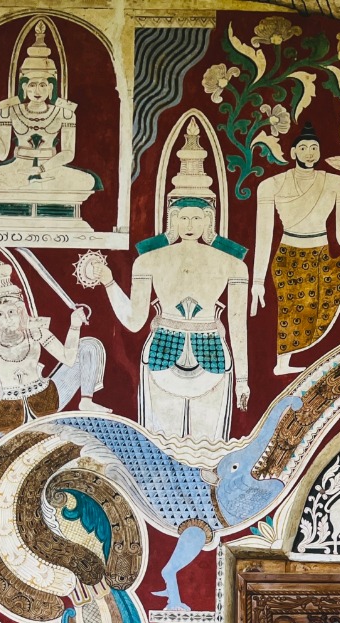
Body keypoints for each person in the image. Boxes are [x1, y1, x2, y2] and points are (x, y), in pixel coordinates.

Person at [96, 121, 249, 458]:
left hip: (212, 352)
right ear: (171, 217)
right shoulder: (148, 261)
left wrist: (244, 380)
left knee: (209, 451)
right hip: (162, 351)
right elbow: (135, 321)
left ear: (209, 219)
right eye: (183, 217)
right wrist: (109, 282)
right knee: (159, 447)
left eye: (197, 218)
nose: (189, 225)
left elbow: (238, 326)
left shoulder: (233, 264)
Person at [0, 252, 106, 497]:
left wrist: (74, 326)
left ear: (21, 311)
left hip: (46, 398)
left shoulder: (35, 333)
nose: (7, 319)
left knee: (88, 345)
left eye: (11, 312)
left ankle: (87, 399)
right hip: (8, 412)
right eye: (0, 315)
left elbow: (67, 357)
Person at [251, 121, 340, 374]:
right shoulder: (271, 185)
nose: (309, 152)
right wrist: (257, 281)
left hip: (322, 256)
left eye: (313, 147)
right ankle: (283, 364)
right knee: (294, 315)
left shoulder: (339, 183)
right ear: (293, 152)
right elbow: (264, 234)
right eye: (303, 147)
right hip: (289, 259)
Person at [0, 19, 99, 219]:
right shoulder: (8, 111)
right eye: (32, 85)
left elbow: (69, 153)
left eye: (43, 85)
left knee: (87, 181)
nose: (37, 91)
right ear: (23, 87)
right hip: (18, 167)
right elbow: (2, 155)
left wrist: (43, 168)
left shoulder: (64, 113)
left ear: (52, 87)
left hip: (50, 168)